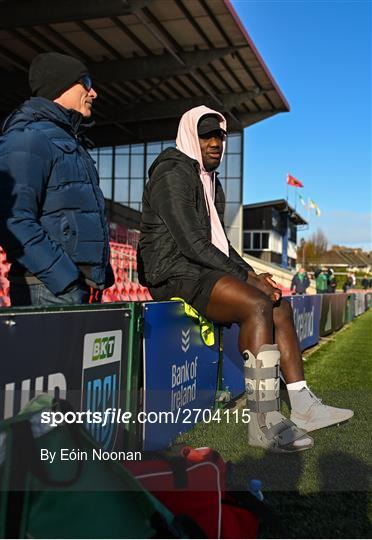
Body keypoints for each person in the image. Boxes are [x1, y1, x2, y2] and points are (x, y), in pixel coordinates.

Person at [138, 106, 353, 453]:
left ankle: (303, 406)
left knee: (276, 303)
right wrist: (248, 280)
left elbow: (219, 243)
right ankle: (262, 421)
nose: (215, 143)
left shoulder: (209, 181)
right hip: (172, 271)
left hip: (198, 267)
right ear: (191, 135)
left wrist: (253, 274)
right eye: (207, 135)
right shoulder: (172, 173)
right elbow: (192, 244)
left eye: (220, 136)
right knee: (256, 303)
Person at [0, 52, 114, 306]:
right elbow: (13, 219)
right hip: (50, 290)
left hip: (81, 288)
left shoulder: (72, 142)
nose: (93, 92)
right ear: (60, 87)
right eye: (85, 82)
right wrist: (66, 278)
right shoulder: (27, 138)